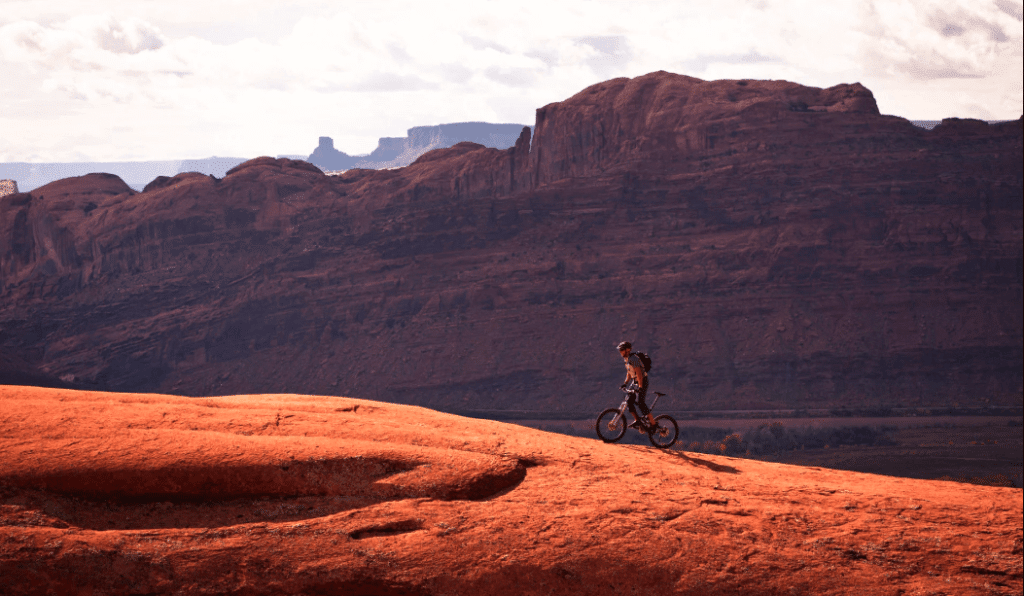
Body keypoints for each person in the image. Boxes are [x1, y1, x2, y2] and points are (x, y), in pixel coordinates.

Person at [617, 341, 656, 431]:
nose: (620, 352)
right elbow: (630, 373)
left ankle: (653, 424)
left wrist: (641, 386)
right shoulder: (626, 359)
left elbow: (639, 373)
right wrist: (625, 383)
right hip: (635, 381)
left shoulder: (633, 358)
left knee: (641, 403)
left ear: (627, 350)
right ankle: (638, 420)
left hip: (642, 380)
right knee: (629, 401)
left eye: (622, 350)